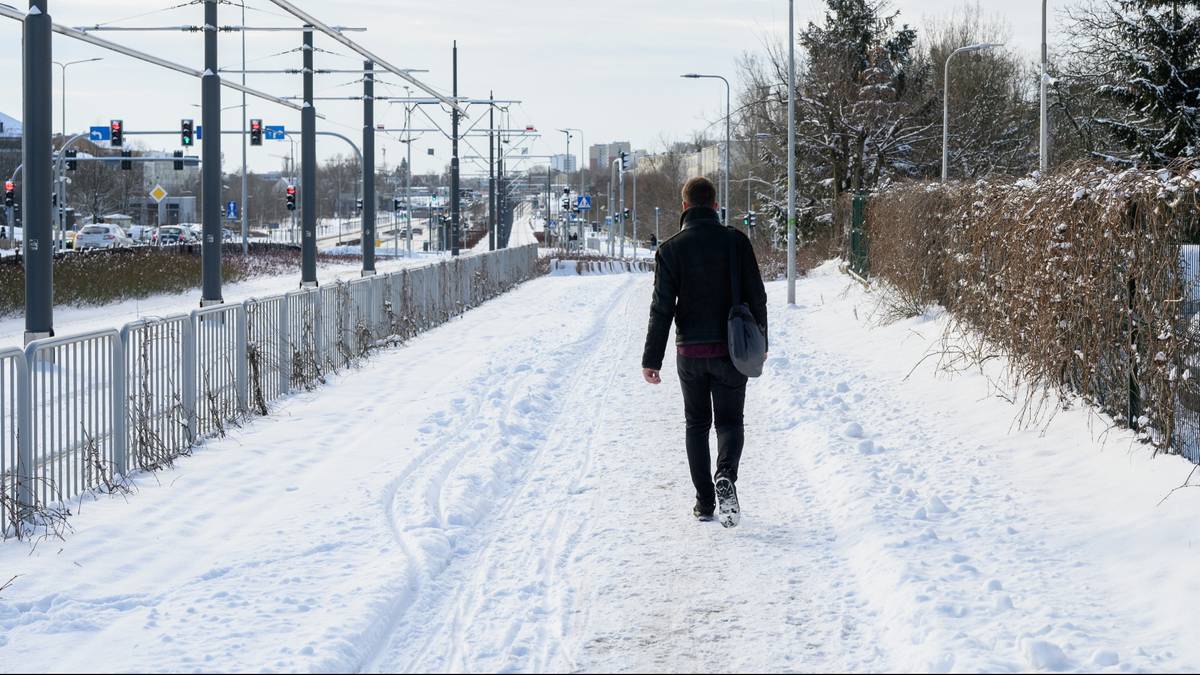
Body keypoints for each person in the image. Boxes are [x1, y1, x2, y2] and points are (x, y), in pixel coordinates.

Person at [641, 176, 768, 528]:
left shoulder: (670, 249)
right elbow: (757, 296)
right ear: (715, 205)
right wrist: (762, 341)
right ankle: (725, 474)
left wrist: (652, 359)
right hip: (732, 349)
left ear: (684, 206)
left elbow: (661, 308)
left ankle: (704, 503)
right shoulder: (736, 242)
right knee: (729, 421)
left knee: (696, 424)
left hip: (690, 353)